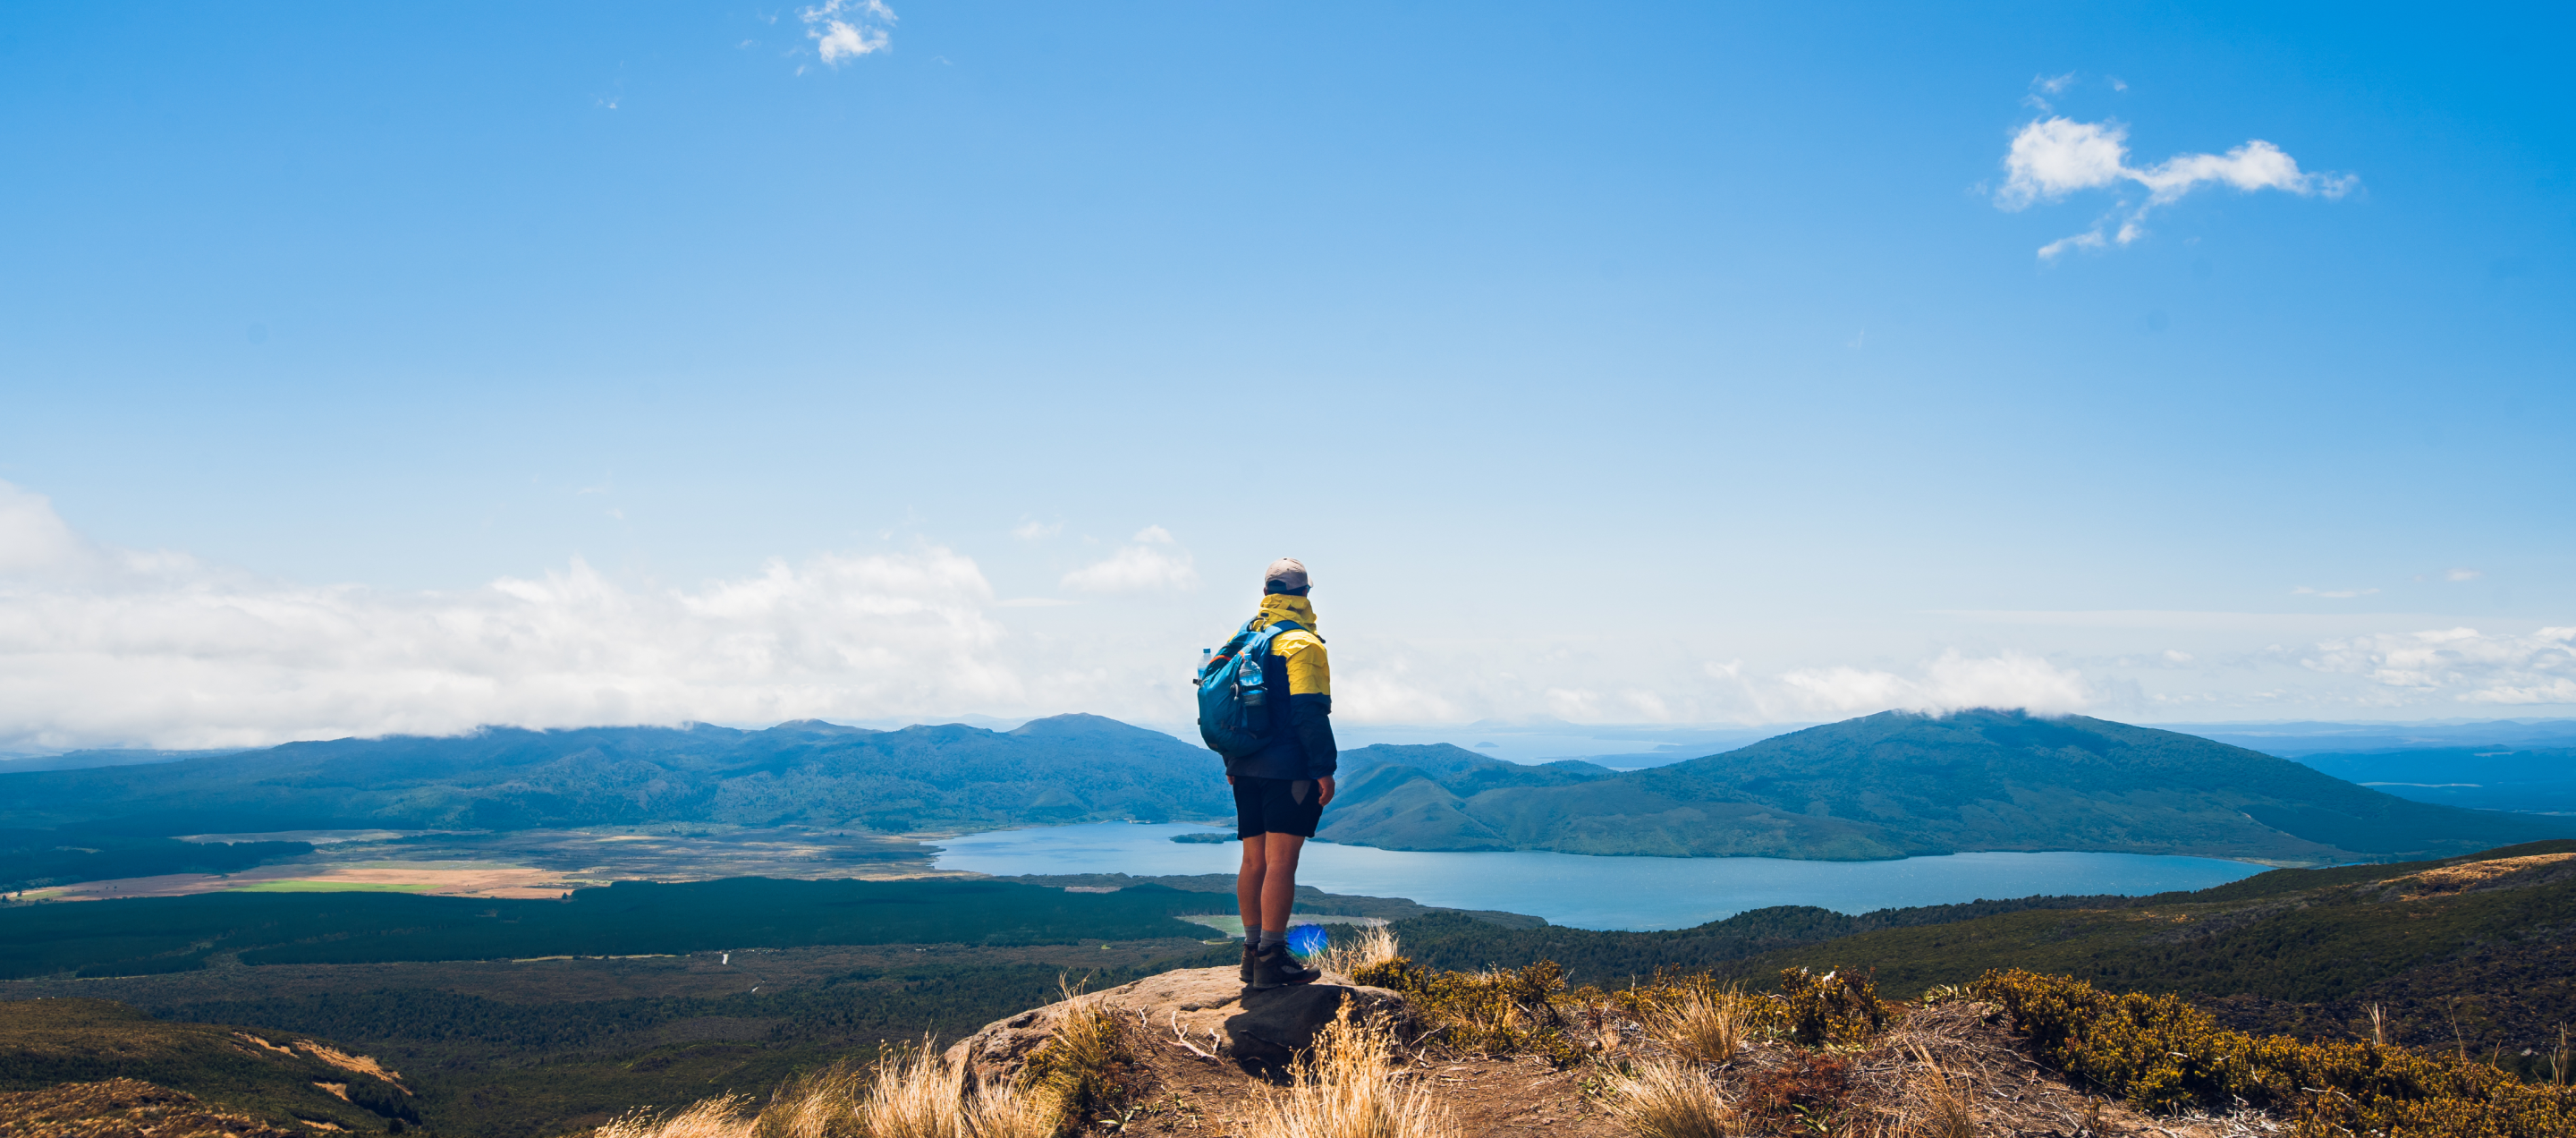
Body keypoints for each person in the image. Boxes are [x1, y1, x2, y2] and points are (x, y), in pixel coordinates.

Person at [1229, 556, 1337, 989]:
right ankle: (1272, 958)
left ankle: (1250, 953)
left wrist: (1232, 761)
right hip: (1288, 770)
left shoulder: (1245, 638)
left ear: (1267, 593)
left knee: (1252, 860)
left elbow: (1228, 706)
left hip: (1244, 764)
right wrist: (1323, 769)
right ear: (1305, 594)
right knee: (1281, 863)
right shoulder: (1303, 644)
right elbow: (1309, 711)